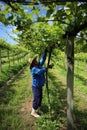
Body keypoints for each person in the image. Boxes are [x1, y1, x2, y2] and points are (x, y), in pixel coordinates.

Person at [29, 48, 48, 118]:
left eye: (35, 60)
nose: (36, 61)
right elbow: (39, 71)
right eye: (35, 61)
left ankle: (38, 110)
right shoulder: (33, 69)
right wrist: (46, 68)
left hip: (40, 86)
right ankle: (33, 112)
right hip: (36, 86)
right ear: (33, 63)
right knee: (36, 98)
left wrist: (45, 52)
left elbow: (42, 59)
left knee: (40, 98)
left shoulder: (38, 65)